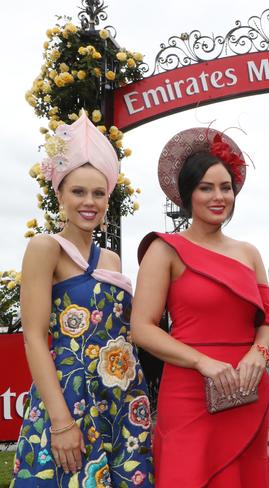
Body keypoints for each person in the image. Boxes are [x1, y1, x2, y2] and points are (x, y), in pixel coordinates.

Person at [12, 111, 153, 487]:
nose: (89, 202)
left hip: (119, 401)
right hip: (69, 399)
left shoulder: (111, 259)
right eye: (78, 191)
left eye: (98, 193)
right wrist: (60, 422)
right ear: (59, 193)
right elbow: (33, 337)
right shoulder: (45, 248)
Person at [131, 127, 269, 488]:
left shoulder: (248, 252)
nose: (218, 197)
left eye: (225, 187)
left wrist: (258, 352)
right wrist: (202, 362)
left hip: (245, 390)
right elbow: (142, 328)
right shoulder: (164, 250)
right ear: (187, 195)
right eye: (206, 188)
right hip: (188, 391)